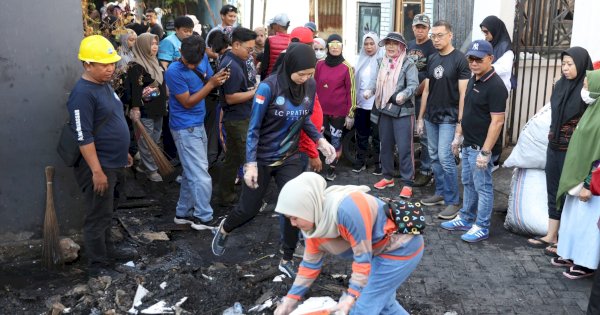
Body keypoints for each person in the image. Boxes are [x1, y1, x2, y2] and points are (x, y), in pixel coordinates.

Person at [211, 44, 337, 279]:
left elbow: (304, 118)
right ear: (290, 67)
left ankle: (286, 258)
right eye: (301, 74)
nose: (305, 79)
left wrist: (320, 141)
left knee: (293, 206)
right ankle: (225, 228)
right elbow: (253, 128)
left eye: (310, 74)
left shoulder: (309, 85)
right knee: (248, 210)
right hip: (261, 158)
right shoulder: (268, 87)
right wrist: (249, 164)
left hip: (290, 157)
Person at [273, 172, 424, 315]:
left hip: (401, 248)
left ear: (306, 207)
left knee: (362, 309)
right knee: (384, 305)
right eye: (289, 218)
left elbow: (362, 258)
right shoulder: (314, 227)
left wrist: (351, 296)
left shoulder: (348, 209)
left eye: (294, 217)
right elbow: (309, 266)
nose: (292, 224)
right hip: (378, 251)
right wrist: (290, 300)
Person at [68, 35, 134, 277]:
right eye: (104, 65)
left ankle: (108, 253)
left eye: (112, 63)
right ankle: (98, 267)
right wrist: (96, 171)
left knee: (108, 211)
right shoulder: (82, 94)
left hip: (114, 161)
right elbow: (83, 136)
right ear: (87, 65)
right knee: (98, 215)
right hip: (99, 165)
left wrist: (124, 150)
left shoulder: (104, 85)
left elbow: (111, 120)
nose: (111, 69)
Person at [526, 47, 593, 255]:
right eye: (563, 63)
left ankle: (564, 240)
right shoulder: (560, 86)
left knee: (567, 193)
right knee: (552, 190)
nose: (565, 68)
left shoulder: (587, 90)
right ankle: (551, 234)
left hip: (573, 152)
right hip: (554, 146)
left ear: (580, 65)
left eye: (570, 64)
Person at [439, 40, 507, 242]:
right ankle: (467, 218)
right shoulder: (473, 79)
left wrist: (486, 152)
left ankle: (482, 225)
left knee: (483, 186)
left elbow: (497, 121)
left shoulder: (496, 86)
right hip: (468, 143)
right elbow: (467, 109)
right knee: (467, 182)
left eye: (479, 59)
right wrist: (458, 135)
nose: (474, 63)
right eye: (471, 58)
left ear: (490, 59)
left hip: (481, 147)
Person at [164, 35, 229, 230]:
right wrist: (211, 85)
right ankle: (203, 216)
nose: (191, 66)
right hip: (184, 128)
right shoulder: (174, 71)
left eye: (195, 62)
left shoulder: (202, 61)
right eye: (188, 62)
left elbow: (208, 79)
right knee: (200, 174)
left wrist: (218, 79)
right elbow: (187, 101)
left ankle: (183, 213)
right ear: (181, 53)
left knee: (192, 172)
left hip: (197, 124)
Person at [416, 20, 470, 219]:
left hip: (449, 117)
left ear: (450, 35)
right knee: (433, 156)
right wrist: (420, 117)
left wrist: (460, 124)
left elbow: (464, 94)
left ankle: (453, 201)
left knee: (446, 157)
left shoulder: (460, 59)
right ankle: (440, 193)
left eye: (440, 35)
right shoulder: (432, 58)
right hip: (431, 116)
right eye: (434, 36)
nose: (436, 39)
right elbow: (427, 89)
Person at [552, 69, 600, 279]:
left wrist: (590, 183)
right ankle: (570, 254)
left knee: (588, 226)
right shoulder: (592, 109)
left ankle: (586, 263)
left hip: (590, 185)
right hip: (576, 179)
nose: (584, 88)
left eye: (587, 85)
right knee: (573, 220)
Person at [369, 32, 418, 199]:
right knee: (385, 145)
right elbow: (375, 80)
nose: (390, 46)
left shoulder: (408, 63)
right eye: (388, 43)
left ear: (402, 46)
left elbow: (413, 85)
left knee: (405, 148)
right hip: (384, 108)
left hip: (403, 111)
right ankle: (387, 176)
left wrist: (404, 94)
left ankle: (407, 183)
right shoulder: (380, 62)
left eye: (394, 43)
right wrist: (371, 90)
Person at [216, 27, 258, 206]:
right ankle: (252, 202)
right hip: (237, 119)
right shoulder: (230, 65)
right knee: (250, 162)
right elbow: (231, 98)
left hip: (240, 117)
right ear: (236, 45)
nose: (251, 53)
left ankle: (226, 197)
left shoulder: (238, 59)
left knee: (231, 161)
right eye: (249, 49)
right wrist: (255, 92)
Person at [315, 34, 357, 181]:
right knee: (316, 139)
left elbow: (351, 91)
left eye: (337, 44)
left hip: (338, 112)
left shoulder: (347, 67)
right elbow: (313, 86)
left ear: (341, 47)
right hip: (319, 111)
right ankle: (315, 164)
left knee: (335, 141)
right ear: (327, 47)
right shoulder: (319, 65)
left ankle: (332, 168)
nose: (334, 47)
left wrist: (350, 113)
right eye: (331, 44)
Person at [127, 33, 167, 182]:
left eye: (156, 43)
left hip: (159, 108)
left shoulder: (155, 62)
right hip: (145, 110)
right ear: (143, 45)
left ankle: (144, 165)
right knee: (146, 141)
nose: (155, 46)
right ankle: (151, 170)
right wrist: (135, 108)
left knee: (155, 139)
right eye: (151, 43)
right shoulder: (136, 66)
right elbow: (135, 89)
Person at [158, 16, 195, 165]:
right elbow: (164, 66)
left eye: (190, 31)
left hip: (188, 86)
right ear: (177, 30)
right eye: (185, 31)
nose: (188, 34)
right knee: (171, 119)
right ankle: (170, 154)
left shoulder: (190, 42)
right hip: (174, 86)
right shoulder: (168, 42)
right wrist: (168, 86)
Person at [480, 15, 515, 171]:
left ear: (495, 30)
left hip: (499, 90)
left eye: (487, 32)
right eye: (484, 33)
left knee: (495, 124)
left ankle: (494, 159)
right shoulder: (490, 44)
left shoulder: (506, 47)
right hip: (486, 88)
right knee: (485, 122)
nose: (485, 36)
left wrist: (484, 67)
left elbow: (504, 68)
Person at [407, 14, 436, 187]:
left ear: (428, 29)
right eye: (417, 27)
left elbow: (431, 75)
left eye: (423, 27)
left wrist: (419, 89)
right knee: (408, 133)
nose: (420, 30)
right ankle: (410, 167)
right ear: (413, 28)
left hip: (423, 96)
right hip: (408, 96)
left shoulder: (432, 47)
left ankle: (426, 170)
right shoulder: (409, 45)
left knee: (423, 134)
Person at [353, 32, 383, 173]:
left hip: (376, 104)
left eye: (372, 44)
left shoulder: (383, 60)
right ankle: (361, 162)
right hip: (361, 104)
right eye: (366, 44)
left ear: (377, 44)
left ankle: (378, 164)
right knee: (361, 134)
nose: (369, 47)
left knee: (377, 135)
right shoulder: (360, 60)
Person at [260, 13, 291, 78]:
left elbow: (265, 64)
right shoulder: (292, 40)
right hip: (287, 78)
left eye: (273, 25)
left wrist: (262, 80)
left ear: (277, 26)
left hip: (271, 78)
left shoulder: (270, 40)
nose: (272, 27)